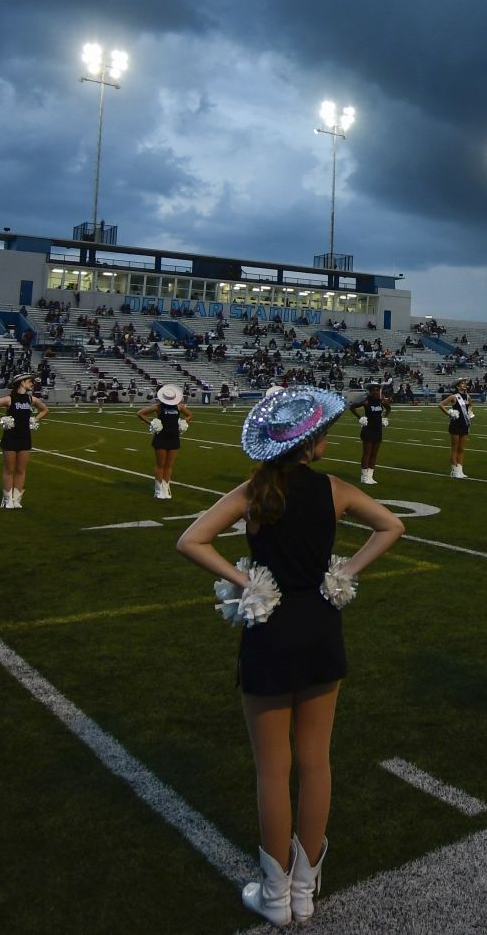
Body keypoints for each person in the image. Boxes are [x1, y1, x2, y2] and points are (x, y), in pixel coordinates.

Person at [175, 387, 406, 926]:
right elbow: (393, 526)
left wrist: (245, 581)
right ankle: (306, 890)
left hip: (270, 629)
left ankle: (276, 897)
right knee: (316, 760)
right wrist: (345, 572)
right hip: (321, 626)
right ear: (312, 443)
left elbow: (192, 540)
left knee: (272, 772)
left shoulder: (255, 490)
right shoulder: (335, 489)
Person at [0, 374, 46, 509]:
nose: (32, 383)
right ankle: (7, 499)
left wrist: (36, 419)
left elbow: (45, 409)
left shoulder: (31, 399)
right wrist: (1, 420)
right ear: (22, 382)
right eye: (30, 381)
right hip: (10, 437)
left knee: (21, 470)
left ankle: (16, 499)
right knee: (9, 469)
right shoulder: (9, 399)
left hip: (25, 437)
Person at [138, 385, 193, 500]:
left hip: (174, 437)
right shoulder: (158, 407)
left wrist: (183, 422)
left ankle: (166, 488)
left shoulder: (179, 407)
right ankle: (158, 490)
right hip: (161, 437)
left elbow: (190, 415)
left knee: (169, 465)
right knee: (160, 465)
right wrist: (152, 423)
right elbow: (140, 413)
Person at [437, 380, 473, 479]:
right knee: (455, 448)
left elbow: (470, 405)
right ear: (457, 387)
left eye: (464, 383)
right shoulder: (454, 397)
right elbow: (441, 405)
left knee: (461, 449)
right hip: (456, 424)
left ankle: (460, 471)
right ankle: (454, 470)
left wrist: (470, 412)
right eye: (462, 383)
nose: (464, 385)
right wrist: (449, 414)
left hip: (464, 424)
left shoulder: (468, 396)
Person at [354, 382, 388, 485]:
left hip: (378, 430)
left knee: (374, 454)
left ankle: (370, 476)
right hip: (368, 430)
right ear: (370, 391)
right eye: (373, 390)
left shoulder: (381, 401)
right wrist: (360, 417)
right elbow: (352, 407)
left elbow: (389, 408)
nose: (375, 392)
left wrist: (385, 418)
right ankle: (364, 477)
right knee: (367, 453)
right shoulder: (366, 401)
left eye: (377, 390)